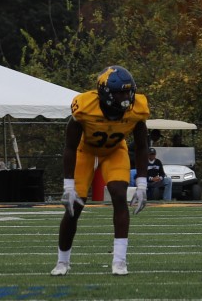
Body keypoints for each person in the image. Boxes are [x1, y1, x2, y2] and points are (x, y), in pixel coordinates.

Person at [52, 66, 151, 277]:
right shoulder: (85, 107)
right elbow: (70, 147)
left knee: (119, 195)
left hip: (114, 151)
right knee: (74, 206)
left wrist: (142, 184)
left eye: (128, 92)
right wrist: (68, 186)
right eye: (120, 93)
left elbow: (142, 147)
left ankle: (119, 261)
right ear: (105, 93)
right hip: (85, 151)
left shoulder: (137, 109)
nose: (126, 97)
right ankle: (62, 262)